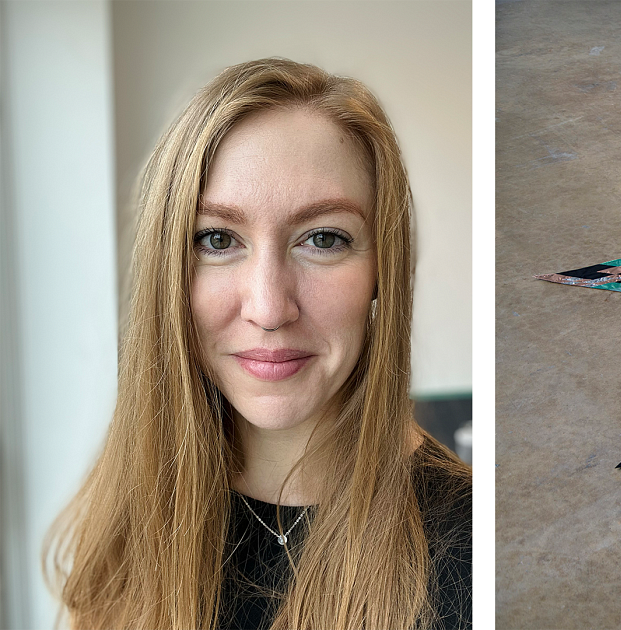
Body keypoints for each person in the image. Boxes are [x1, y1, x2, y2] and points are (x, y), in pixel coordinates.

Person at [43, 58, 472, 629]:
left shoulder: (473, 554)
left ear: (382, 272)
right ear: (168, 274)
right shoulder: (125, 509)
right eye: (217, 239)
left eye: (323, 238)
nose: (269, 308)